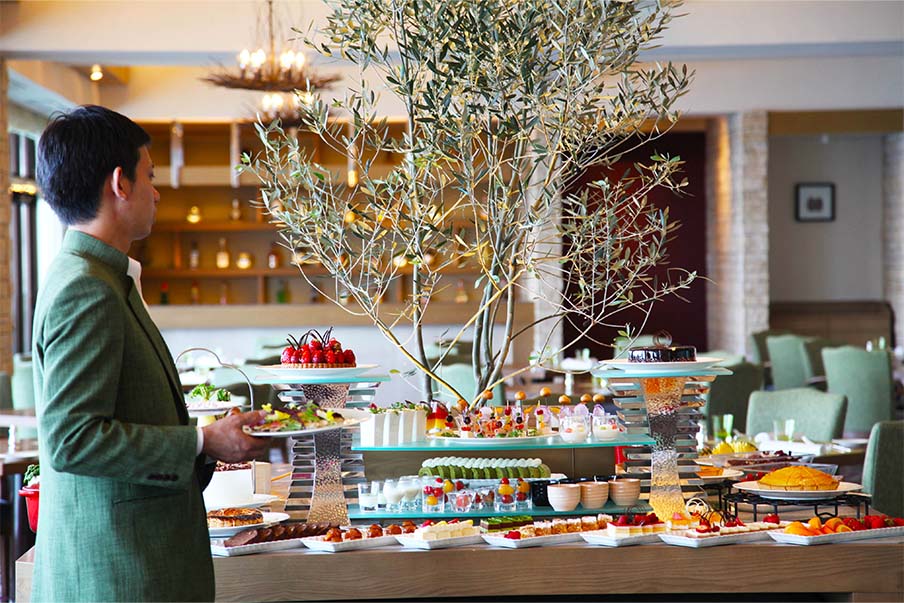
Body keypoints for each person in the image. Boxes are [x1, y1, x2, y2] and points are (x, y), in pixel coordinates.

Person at [31, 105, 270, 601]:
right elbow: (72, 439)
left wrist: (208, 444)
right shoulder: (86, 287)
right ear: (120, 183)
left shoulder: (98, 275)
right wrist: (201, 441)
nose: (156, 192)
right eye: (150, 176)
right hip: (119, 571)